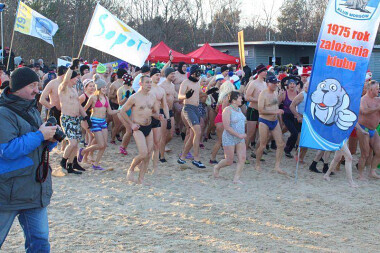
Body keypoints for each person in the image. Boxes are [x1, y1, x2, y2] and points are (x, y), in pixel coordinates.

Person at [0, 67, 59, 251]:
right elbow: (7, 150)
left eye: (37, 85)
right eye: (32, 85)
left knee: (40, 242)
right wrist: (40, 136)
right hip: (8, 192)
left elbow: (36, 143)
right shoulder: (3, 113)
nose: (37, 90)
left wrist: (50, 140)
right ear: (17, 87)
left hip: (34, 189)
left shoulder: (31, 107)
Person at [119, 75, 163, 184]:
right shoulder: (134, 97)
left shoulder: (152, 97)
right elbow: (122, 111)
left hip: (149, 126)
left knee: (148, 154)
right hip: (138, 128)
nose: (149, 84)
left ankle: (141, 179)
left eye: (150, 82)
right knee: (143, 153)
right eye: (147, 82)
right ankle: (131, 168)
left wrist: (158, 116)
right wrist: (131, 124)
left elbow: (153, 112)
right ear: (141, 84)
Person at [58, 59, 92, 174]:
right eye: (76, 77)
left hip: (75, 119)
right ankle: (63, 161)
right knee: (72, 143)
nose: (77, 79)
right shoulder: (63, 88)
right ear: (70, 78)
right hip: (66, 118)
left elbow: (78, 105)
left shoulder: (74, 90)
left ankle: (70, 165)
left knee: (76, 144)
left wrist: (86, 117)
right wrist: (71, 67)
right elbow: (65, 80)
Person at [79, 75, 119, 170]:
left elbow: (109, 112)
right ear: (99, 88)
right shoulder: (93, 97)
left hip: (103, 122)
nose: (105, 89)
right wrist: (84, 119)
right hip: (95, 121)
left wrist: (119, 110)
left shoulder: (106, 98)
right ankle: (83, 151)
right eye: (103, 87)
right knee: (100, 144)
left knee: (104, 145)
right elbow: (84, 109)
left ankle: (96, 164)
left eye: (106, 87)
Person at [255, 73, 286, 175]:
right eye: (273, 83)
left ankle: (277, 166)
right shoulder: (263, 94)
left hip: (274, 121)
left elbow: (275, 105)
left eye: (276, 83)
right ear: (268, 83)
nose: (275, 85)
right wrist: (275, 112)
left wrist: (281, 96)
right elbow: (261, 110)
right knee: (263, 145)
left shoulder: (275, 92)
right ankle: (257, 163)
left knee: (281, 144)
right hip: (264, 120)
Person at [213, 91, 247, 183]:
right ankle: (217, 167)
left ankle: (236, 179)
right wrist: (239, 134)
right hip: (229, 137)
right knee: (229, 161)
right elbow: (227, 127)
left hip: (240, 138)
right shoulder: (227, 110)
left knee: (242, 158)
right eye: (240, 98)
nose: (241, 99)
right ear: (234, 100)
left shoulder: (239, 110)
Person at [177, 65, 206, 168]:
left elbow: (200, 94)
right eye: (197, 73)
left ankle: (182, 157)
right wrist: (186, 96)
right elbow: (179, 96)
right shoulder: (185, 83)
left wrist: (208, 93)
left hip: (196, 108)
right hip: (188, 108)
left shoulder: (197, 83)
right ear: (193, 73)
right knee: (197, 131)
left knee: (194, 135)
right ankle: (196, 159)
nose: (199, 75)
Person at [357, 80, 380, 180]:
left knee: (379, 151)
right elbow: (364, 111)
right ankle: (360, 175)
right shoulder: (363, 99)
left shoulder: (378, 100)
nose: (378, 90)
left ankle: (372, 171)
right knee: (365, 153)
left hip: (373, 130)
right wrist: (377, 108)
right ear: (370, 90)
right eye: (376, 89)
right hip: (363, 129)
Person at [149, 68, 170, 173]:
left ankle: (155, 167)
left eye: (159, 75)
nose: (158, 77)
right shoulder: (146, 88)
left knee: (157, 143)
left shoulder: (161, 90)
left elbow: (165, 105)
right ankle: (142, 164)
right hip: (146, 118)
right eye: (156, 75)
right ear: (151, 76)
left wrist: (168, 118)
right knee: (148, 145)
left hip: (157, 118)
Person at [210, 80, 235, 164]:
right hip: (223, 119)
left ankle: (227, 157)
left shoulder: (222, 97)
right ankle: (212, 158)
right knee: (221, 140)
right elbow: (224, 110)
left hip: (220, 118)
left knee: (225, 140)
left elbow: (219, 109)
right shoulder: (227, 98)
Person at [244, 64, 268, 155]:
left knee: (262, 133)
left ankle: (256, 152)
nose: (266, 73)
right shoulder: (253, 83)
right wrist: (258, 100)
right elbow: (247, 97)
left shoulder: (265, 84)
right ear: (259, 72)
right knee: (250, 133)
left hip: (262, 111)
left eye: (266, 71)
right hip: (253, 110)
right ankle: (244, 153)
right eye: (264, 71)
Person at [158, 67, 178, 162]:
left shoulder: (172, 85)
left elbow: (174, 98)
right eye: (171, 74)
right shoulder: (162, 86)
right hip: (162, 111)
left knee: (171, 134)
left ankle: (160, 147)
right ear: (167, 75)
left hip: (170, 111)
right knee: (163, 135)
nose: (173, 75)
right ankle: (161, 156)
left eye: (174, 74)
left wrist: (186, 98)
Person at [278, 79, 299, 158]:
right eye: (291, 84)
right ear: (288, 85)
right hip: (286, 115)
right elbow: (277, 103)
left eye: (294, 84)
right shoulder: (284, 93)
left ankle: (276, 141)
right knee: (294, 133)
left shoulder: (298, 93)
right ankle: (287, 149)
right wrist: (279, 95)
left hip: (295, 115)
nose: (292, 85)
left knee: (292, 132)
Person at [117, 73, 135, 155]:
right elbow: (120, 103)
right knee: (129, 129)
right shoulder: (120, 90)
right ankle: (122, 147)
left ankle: (124, 147)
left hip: (130, 110)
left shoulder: (132, 89)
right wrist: (126, 97)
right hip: (121, 111)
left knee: (129, 130)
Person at [109, 69, 128, 144]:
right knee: (117, 124)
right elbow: (109, 95)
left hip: (124, 105)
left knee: (124, 124)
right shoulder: (114, 84)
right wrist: (117, 95)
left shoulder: (126, 84)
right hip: (115, 104)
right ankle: (113, 139)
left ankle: (122, 138)